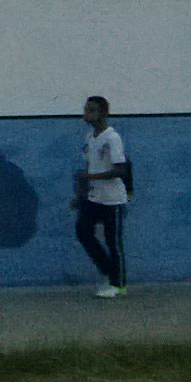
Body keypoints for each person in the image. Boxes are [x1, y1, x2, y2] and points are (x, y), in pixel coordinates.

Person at [75, 94, 133, 298]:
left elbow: (120, 170)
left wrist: (91, 177)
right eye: (85, 109)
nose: (86, 114)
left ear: (103, 113)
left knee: (113, 241)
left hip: (112, 200)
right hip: (94, 198)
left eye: (91, 110)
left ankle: (118, 285)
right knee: (82, 231)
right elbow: (89, 167)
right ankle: (107, 269)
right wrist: (80, 194)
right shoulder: (90, 138)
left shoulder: (112, 138)